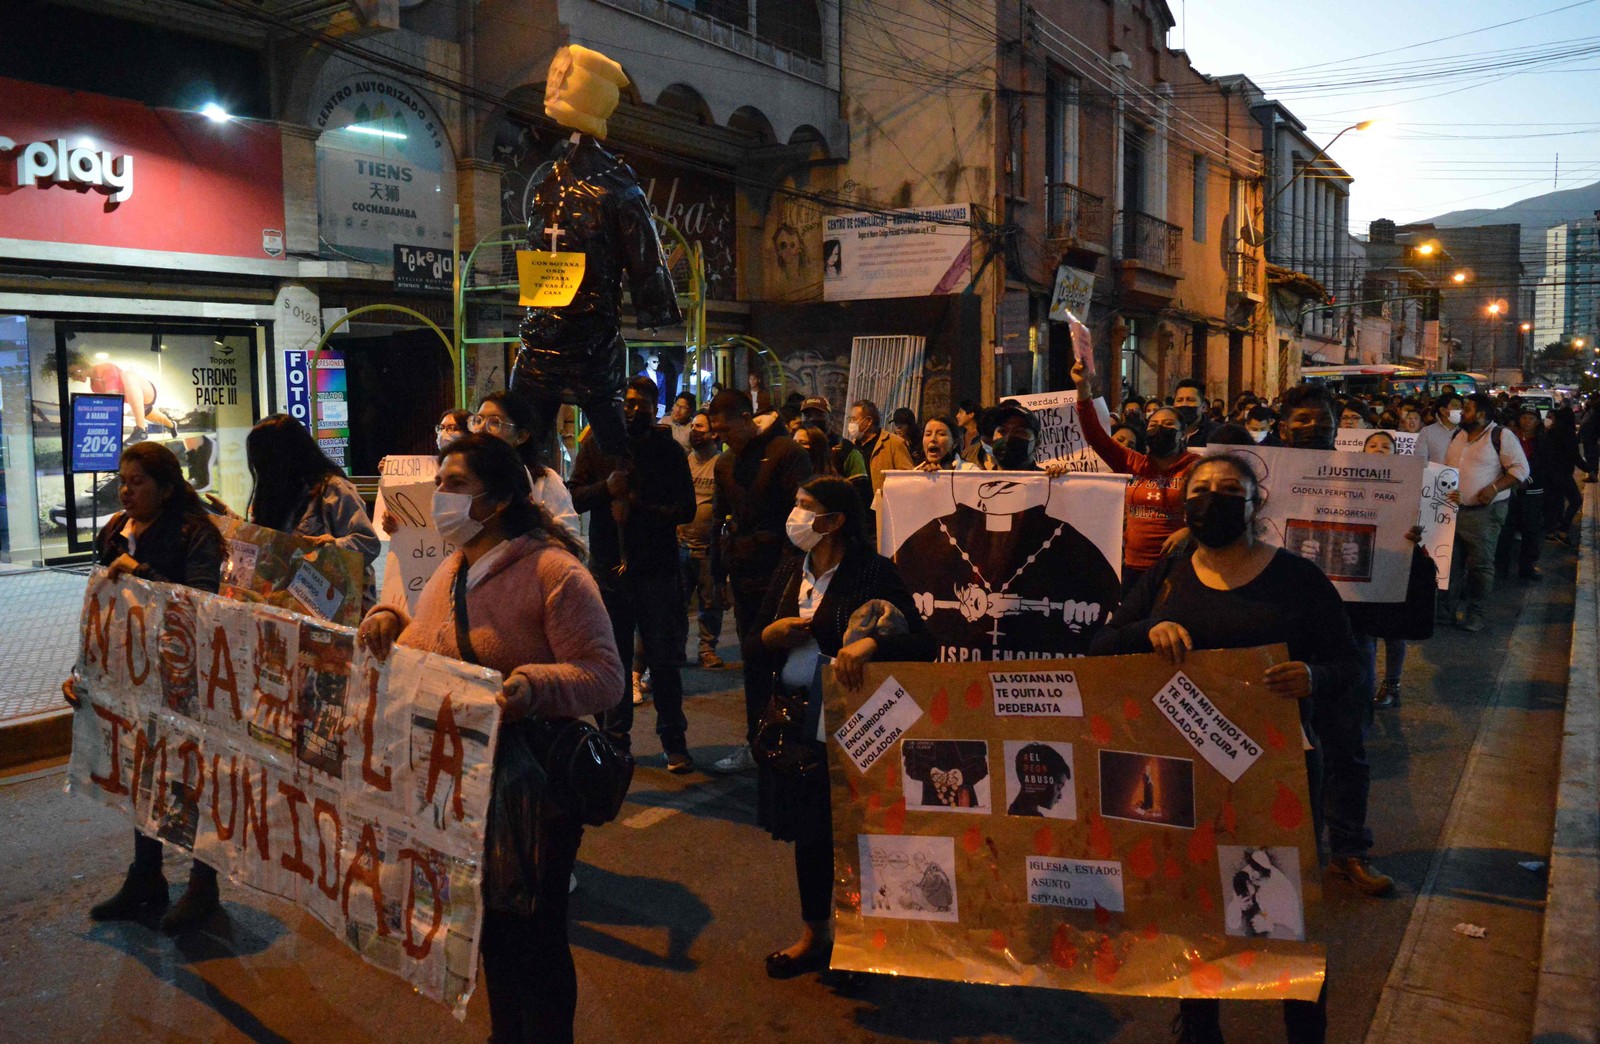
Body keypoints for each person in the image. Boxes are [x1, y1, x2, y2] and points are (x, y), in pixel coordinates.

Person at [356, 433, 620, 1044]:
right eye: (439, 481)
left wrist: (534, 684)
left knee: (537, 934)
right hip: (468, 785)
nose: (439, 496)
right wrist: (390, 622)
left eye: (454, 484)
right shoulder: (456, 565)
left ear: (498, 499)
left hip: (535, 788)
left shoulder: (554, 570)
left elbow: (605, 676)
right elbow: (431, 647)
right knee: (491, 931)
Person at [1093, 453, 1360, 1044]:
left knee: (1280, 912)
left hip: (1276, 775)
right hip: (1180, 776)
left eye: (1228, 490)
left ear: (1254, 503)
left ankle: (1303, 1028)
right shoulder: (1168, 575)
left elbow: (1349, 665)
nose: (1212, 500)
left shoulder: (1297, 579)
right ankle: (1198, 1028)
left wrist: (1314, 677)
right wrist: (1148, 630)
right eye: (1200, 489)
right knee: (1193, 909)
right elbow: (1102, 645)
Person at [747, 476, 935, 978]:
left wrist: (870, 645)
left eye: (806, 506)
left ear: (834, 521)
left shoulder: (871, 572)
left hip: (857, 724)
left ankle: (868, 937)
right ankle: (816, 934)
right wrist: (771, 633)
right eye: (796, 503)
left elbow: (922, 643)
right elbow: (755, 638)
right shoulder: (793, 568)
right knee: (809, 834)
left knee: (859, 833)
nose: (796, 514)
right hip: (793, 720)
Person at [62, 442, 225, 933]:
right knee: (140, 773)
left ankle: (203, 887)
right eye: (122, 480)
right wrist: (83, 670)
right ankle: (146, 877)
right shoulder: (115, 529)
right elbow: (101, 607)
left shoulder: (195, 533)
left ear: (168, 487)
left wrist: (143, 573)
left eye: (138, 482)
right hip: (128, 678)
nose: (125, 491)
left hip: (183, 678)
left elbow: (200, 603)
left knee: (191, 781)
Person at [1274, 383, 1396, 896]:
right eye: (1301, 419)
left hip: (1347, 637)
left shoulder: (1371, 482)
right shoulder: (1262, 475)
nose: (1312, 426)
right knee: (1280, 751)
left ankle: (1348, 852)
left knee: (1346, 749)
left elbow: (1391, 559)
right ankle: (1289, 854)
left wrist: (1405, 536)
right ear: (1283, 427)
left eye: (1321, 418)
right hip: (1280, 633)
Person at [569, 375, 697, 772]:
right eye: (627, 401)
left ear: (655, 406)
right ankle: (615, 741)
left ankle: (674, 741)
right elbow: (573, 497)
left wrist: (639, 507)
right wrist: (606, 489)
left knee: (663, 659)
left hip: (656, 569)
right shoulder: (596, 445)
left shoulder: (668, 451)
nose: (634, 407)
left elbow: (686, 510)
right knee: (615, 659)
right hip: (609, 570)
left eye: (643, 401)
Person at [708, 390, 813, 773]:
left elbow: (805, 513)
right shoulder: (725, 464)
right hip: (745, 575)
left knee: (788, 662)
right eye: (717, 432)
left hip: (783, 575)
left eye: (726, 428)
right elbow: (719, 519)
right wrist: (718, 573)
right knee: (753, 659)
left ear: (746, 417)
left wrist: (795, 567)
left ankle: (795, 742)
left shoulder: (786, 452)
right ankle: (758, 743)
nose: (722, 437)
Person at [1072, 359, 1199, 590]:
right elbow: (1095, 436)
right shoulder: (1133, 463)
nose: (1159, 429)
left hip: (1178, 568)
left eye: (1168, 425)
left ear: (1182, 435)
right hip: (1133, 567)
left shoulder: (1196, 467)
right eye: (1153, 425)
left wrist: (1189, 532)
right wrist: (1083, 389)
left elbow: (1214, 510)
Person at [241, 414, 380, 609]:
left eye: (266, 459)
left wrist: (334, 546)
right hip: (293, 607)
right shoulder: (274, 498)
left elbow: (369, 543)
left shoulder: (332, 488)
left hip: (335, 608)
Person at [1444, 393, 1530, 632]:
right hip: (1453, 511)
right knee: (1450, 564)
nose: (1462, 413)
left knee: (1480, 566)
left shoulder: (1501, 436)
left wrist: (1494, 488)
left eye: (1467, 409)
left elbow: (1521, 469)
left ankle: (1476, 613)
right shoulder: (1458, 435)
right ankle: (1446, 610)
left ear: (1482, 413)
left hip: (1484, 514)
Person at [472, 391, 584, 549]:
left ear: (521, 436)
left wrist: (542, 522)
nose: (482, 429)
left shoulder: (544, 480)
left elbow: (573, 543)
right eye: (478, 420)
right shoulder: (467, 475)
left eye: (494, 422)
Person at [43, 350, 179, 441]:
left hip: (146, 391)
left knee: (128, 374)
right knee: (160, 418)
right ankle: (172, 425)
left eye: (74, 372)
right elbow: (109, 408)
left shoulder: (105, 368)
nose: (75, 377)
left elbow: (112, 401)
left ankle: (141, 430)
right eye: (71, 376)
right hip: (137, 402)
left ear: (80, 364)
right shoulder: (93, 385)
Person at [679, 410, 727, 669]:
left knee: (710, 603)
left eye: (700, 427)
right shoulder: (686, 461)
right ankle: (677, 649)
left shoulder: (721, 464)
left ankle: (707, 649)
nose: (694, 431)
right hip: (682, 543)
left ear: (714, 434)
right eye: (693, 426)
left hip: (709, 547)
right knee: (679, 602)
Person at [1495, 406, 1548, 582]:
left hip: (1533, 493)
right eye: (1524, 417)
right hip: (1510, 491)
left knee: (1531, 531)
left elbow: (1545, 465)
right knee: (1505, 530)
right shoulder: (1510, 438)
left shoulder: (1542, 441)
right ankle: (1501, 567)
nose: (1526, 421)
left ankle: (1527, 566)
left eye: (1531, 418)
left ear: (1538, 422)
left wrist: (1527, 479)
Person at [849, 399, 915, 494]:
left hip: (883, 506)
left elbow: (907, 478)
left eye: (854, 419)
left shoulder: (894, 443)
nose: (851, 423)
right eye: (851, 419)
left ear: (868, 421)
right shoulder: (851, 445)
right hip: (856, 507)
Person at [1545, 405, 1583, 544]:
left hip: (1550, 472)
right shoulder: (1567, 432)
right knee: (1576, 500)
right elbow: (1575, 455)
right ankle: (1563, 530)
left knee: (1554, 501)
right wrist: (1588, 469)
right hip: (1562, 472)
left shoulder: (1551, 431)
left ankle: (1550, 531)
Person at [1418, 391, 1462, 464]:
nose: (1460, 410)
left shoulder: (1467, 431)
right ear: (1443, 410)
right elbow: (1420, 460)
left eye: (1461, 407)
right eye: (1455, 406)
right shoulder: (1428, 432)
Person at [1172, 379, 1215, 447]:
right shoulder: (1168, 432)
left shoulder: (1216, 433)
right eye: (1179, 400)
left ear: (1204, 407)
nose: (1184, 404)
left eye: (1190, 400)